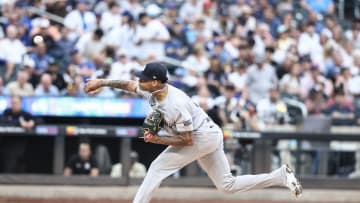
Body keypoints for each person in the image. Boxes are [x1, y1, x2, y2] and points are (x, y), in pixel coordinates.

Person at [84, 62, 302, 203]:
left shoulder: (174, 104)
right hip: (210, 133)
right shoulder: (152, 88)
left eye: (144, 78)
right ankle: (280, 176)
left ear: (155, 82)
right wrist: (102, 82)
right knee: (227, 185)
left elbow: (187, 140)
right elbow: (129, 85)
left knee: (158, 167)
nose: (140, 81)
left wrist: (158, 138)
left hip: (200, 137)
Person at [0, 96, 35, 173]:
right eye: (13, 103)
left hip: (21, 142)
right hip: (6, 142)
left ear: (20, 103)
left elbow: (39, 120)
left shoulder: (25, 114)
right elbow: (3, 121)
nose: (15, 104)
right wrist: (20, 123)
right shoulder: (7, 112)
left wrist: (32, 123)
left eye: (17, 103)